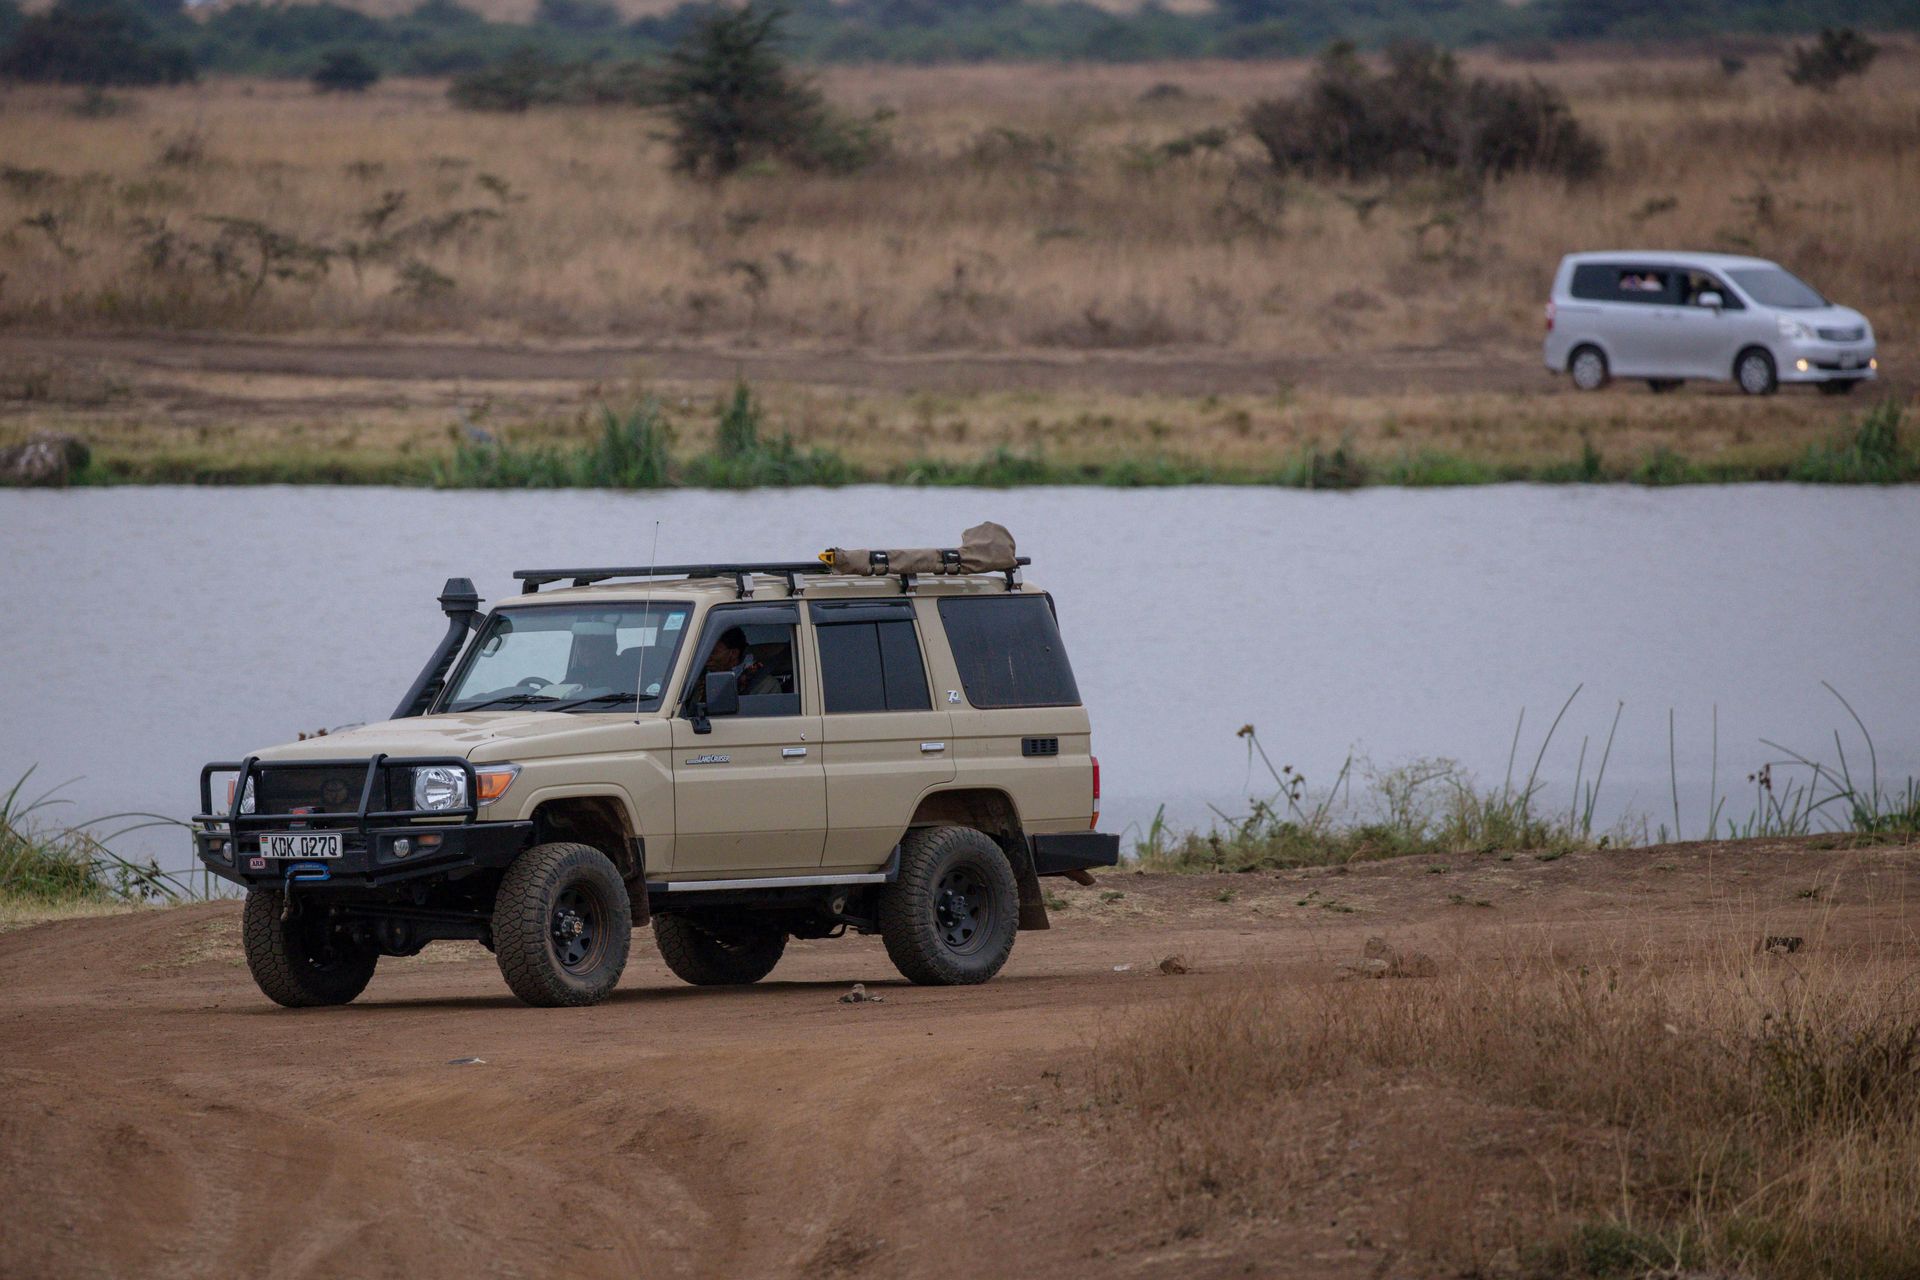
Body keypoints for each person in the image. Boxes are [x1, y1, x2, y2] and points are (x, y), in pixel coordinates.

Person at [703, 628, 780, 697]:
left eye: (713, 652)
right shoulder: (703, 679)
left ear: (733, 653)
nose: (706, 658)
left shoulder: (766, 685)